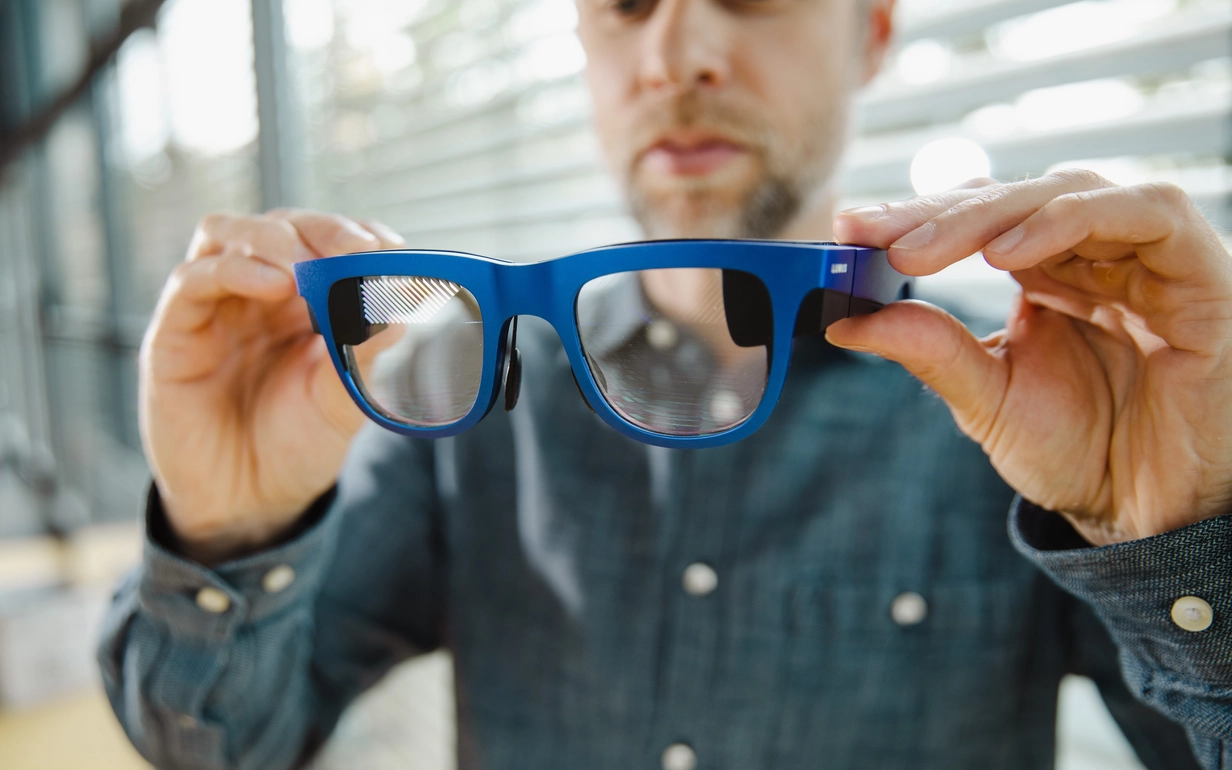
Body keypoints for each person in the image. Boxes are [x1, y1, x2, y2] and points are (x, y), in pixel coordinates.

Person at [98, 0, 1232, 768]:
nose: (674, 54)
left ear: (871, 32)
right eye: (625, 5)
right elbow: (214, 740)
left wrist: (1182, 527)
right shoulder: (453, 388)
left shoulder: (1049, 407)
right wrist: (226, 521)